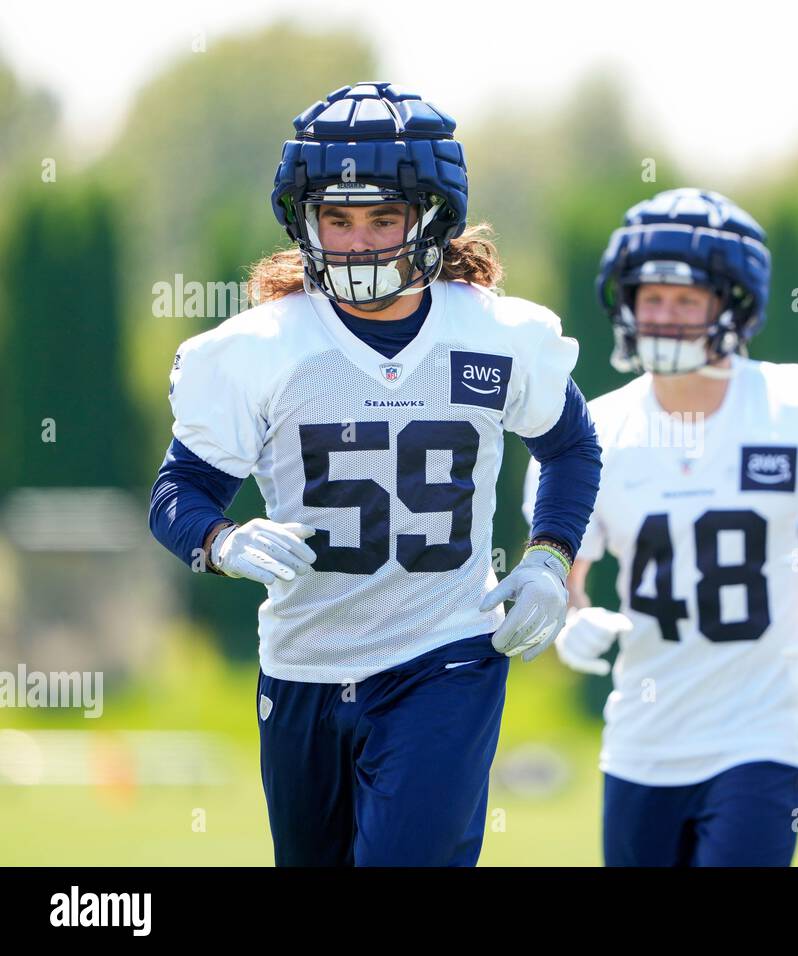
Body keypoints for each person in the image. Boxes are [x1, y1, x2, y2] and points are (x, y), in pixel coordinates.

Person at [148, 82, 601, 866]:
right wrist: (220, 540)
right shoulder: (259, 348)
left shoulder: (493, 335)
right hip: (303, 669)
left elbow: (571, 446)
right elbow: (176, 493)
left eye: (383, 217)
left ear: (431, 218)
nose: (358, 242)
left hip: (445, 655)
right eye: (337, 218)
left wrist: (548, 558)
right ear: (305, 222)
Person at [524, 187, 798, 866]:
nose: (664, 316)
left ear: (731, 305)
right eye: (651, 298)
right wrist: (570, 622)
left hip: (766, 733)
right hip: (643, 738)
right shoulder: (595, 433)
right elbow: (565, 573)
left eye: (686, 301)